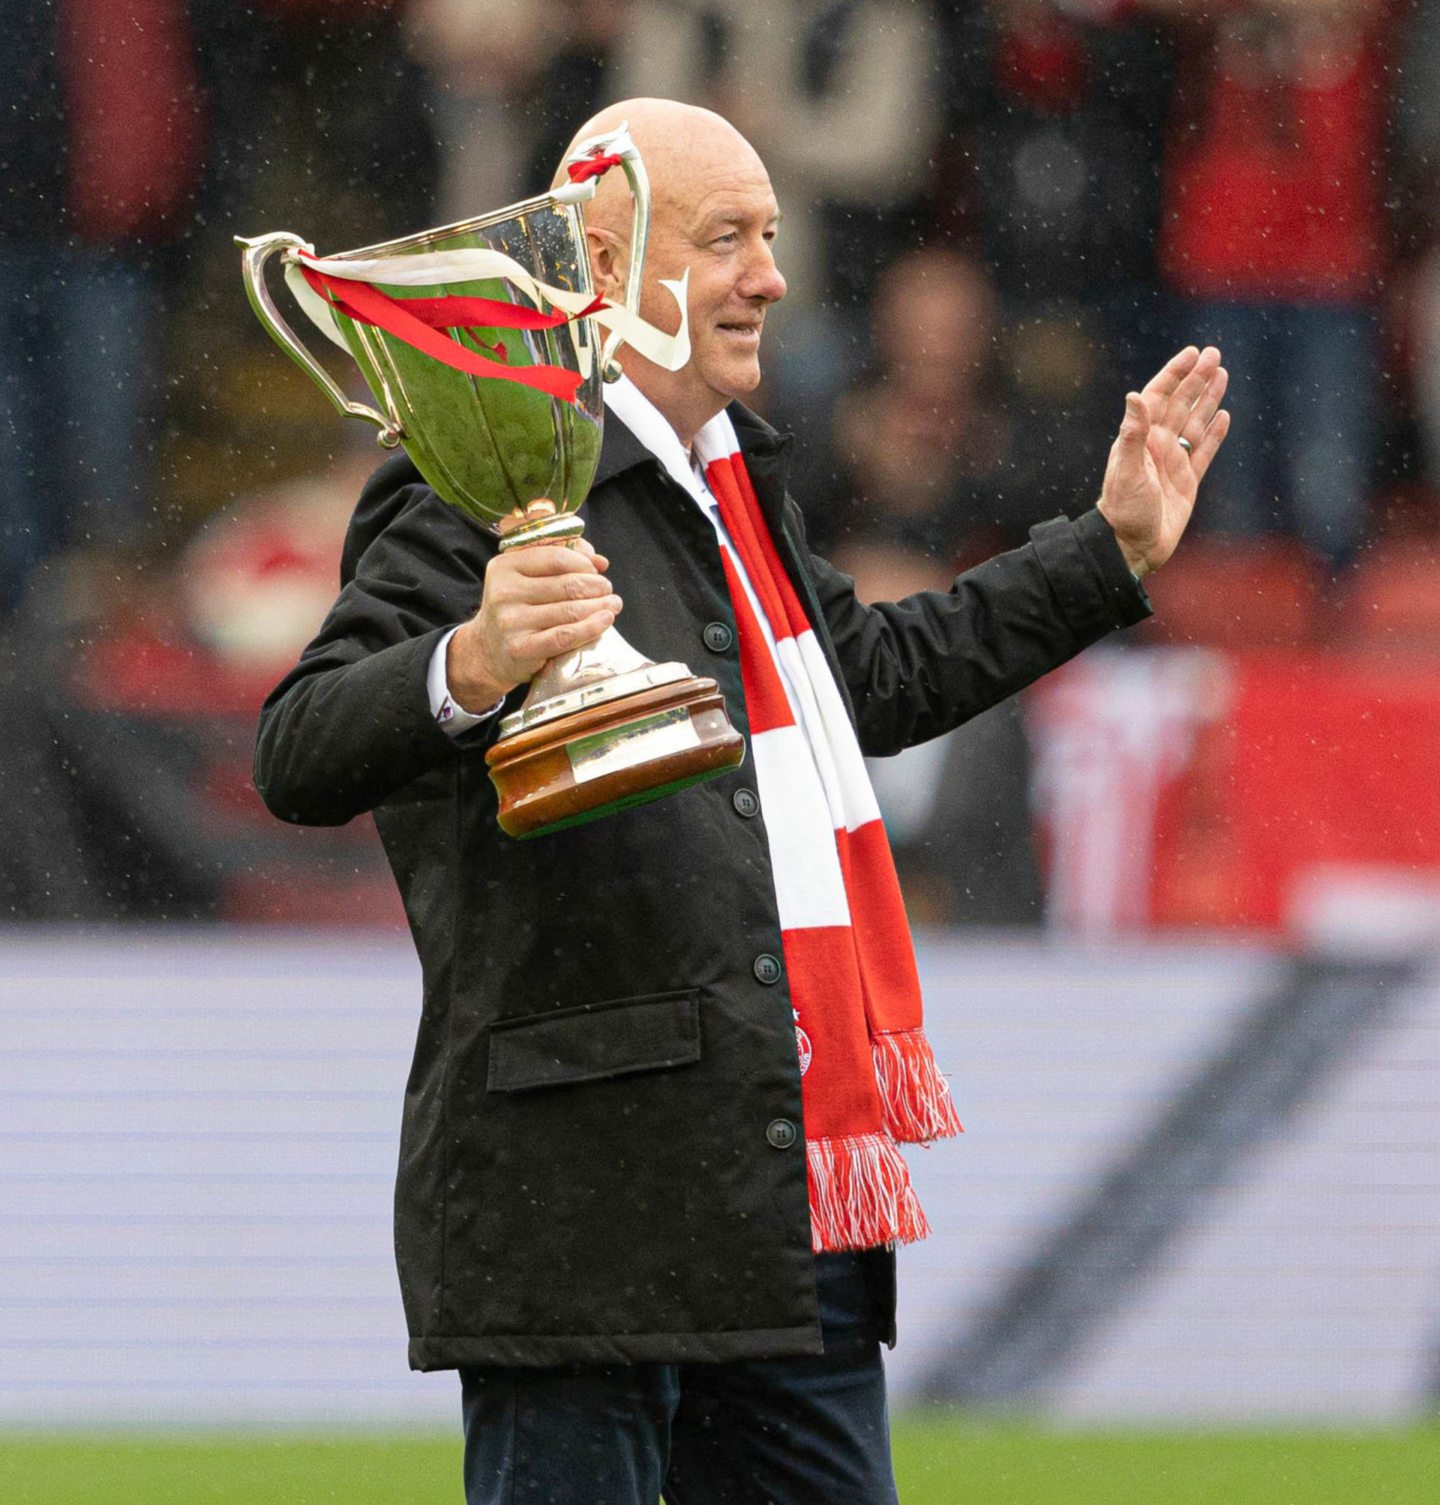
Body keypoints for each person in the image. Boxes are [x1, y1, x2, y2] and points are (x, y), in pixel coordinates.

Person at [253, 98, 1228, 1505]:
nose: (770, 276)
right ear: (605, 261)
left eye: (770, 238)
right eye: (726, 240)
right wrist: (470, 657)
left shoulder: (734, 481)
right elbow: (297, 747)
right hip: (586, 1197)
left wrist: (1112, 548)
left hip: (782, 1186)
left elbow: (873, 678)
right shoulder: (488, 471)